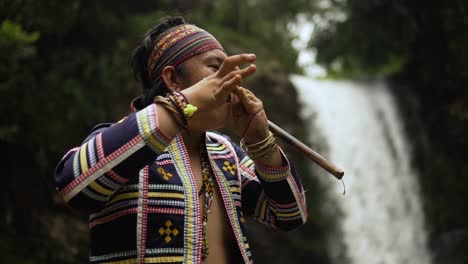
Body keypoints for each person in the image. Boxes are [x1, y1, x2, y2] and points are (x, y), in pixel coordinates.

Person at [54, 16, 307, 264]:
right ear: (173, 79)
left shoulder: (226, 153)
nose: (233, 79)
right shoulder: (124, 143)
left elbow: (290, 215)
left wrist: (261, 142)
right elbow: (73, 185)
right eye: (215, 67)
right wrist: (182, 105)